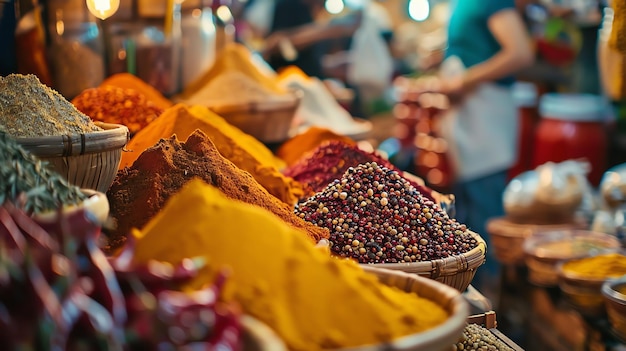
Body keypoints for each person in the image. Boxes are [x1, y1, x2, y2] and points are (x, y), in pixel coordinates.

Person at [428, 0, 534, 301]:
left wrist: (465, 79)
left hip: (484, 118)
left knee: (485, 209)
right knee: (471, 213)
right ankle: (472, 299)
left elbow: (520, 52)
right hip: (470, 119)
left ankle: (490, 306)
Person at [260, 0, 362, 78]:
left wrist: (330, 66)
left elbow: (309, 60)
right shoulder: (289, 5)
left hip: (307, 82)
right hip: (282, 79)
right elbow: (274, 45)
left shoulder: (321, 11)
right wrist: (329, 30)